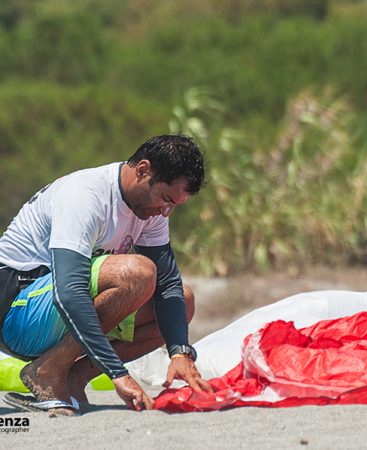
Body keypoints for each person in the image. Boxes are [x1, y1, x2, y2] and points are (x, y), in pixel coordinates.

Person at [0, 134, 213, 416]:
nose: (165, 211)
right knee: (137, 273)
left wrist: (181, 353)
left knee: (182, 301)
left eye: (173, 205)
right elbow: (70, 293)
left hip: (58, 312)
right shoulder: (85, 195)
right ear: (143, 170)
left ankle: (74, 378)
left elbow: (169, 286)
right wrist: (117, 373)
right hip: (17, 314)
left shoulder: (150, 211)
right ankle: (48, 371)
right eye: (165, 199)